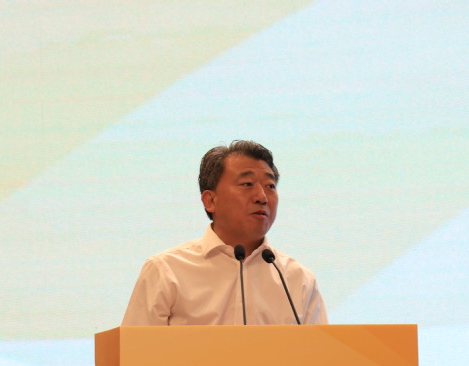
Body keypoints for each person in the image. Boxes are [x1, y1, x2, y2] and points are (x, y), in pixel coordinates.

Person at [122, 140, 327, 326]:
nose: (262, 197)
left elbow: (322, 353)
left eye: (270, 186)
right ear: (210, 200)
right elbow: (134, 352)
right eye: (247, 184)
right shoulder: (166, 270)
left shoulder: (298, 279)